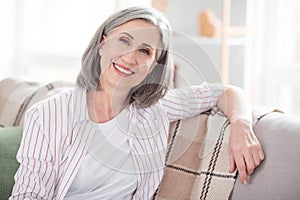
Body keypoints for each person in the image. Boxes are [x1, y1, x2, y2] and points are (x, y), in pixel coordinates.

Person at [10, 6, 264, 200]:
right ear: (102, 44)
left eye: (144, 51)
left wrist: (241, 124)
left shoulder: (155, 109)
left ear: (152, 66)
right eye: (124, 41)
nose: (130, 58)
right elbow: (28, 195)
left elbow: (226, 91)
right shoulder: (48, 114)